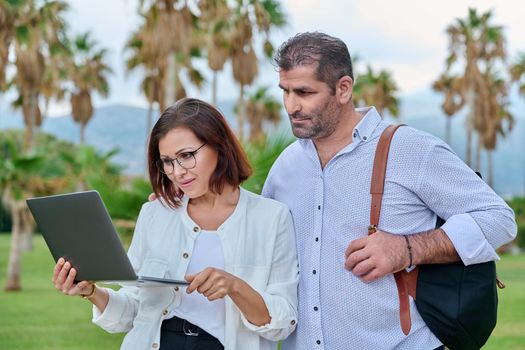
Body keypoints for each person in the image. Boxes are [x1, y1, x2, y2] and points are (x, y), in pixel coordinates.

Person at [261, 32, 517, 350]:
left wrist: (406, 249)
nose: (291, 106)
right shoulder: (285, 167)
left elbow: (499, 219)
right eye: (285, 91)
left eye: (304, 92)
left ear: (343, 89)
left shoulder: (409, 149)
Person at [52, 98, 298, 350]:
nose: (177, 171)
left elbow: (283, 322)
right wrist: (91, 292)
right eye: (167, 161)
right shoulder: (154, 214)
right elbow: (135, 307)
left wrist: (235, 287)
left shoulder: (272, 218)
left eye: (187, 156)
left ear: (220, 146)